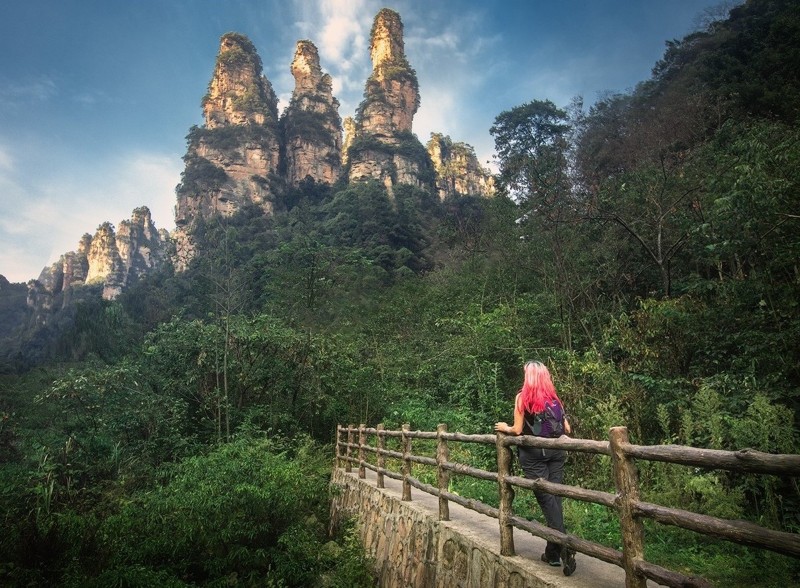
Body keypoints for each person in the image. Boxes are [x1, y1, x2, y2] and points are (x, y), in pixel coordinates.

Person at [494, 360, 577, 576]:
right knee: (555, 499)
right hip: (557, 453)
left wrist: (505, 427)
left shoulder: (523, 397)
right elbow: (566, 428)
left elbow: (518, 429)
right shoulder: (554, 398)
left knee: (547, 500)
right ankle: (552, 553)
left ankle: (566, 546)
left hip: (534, 456)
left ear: (528, 377)